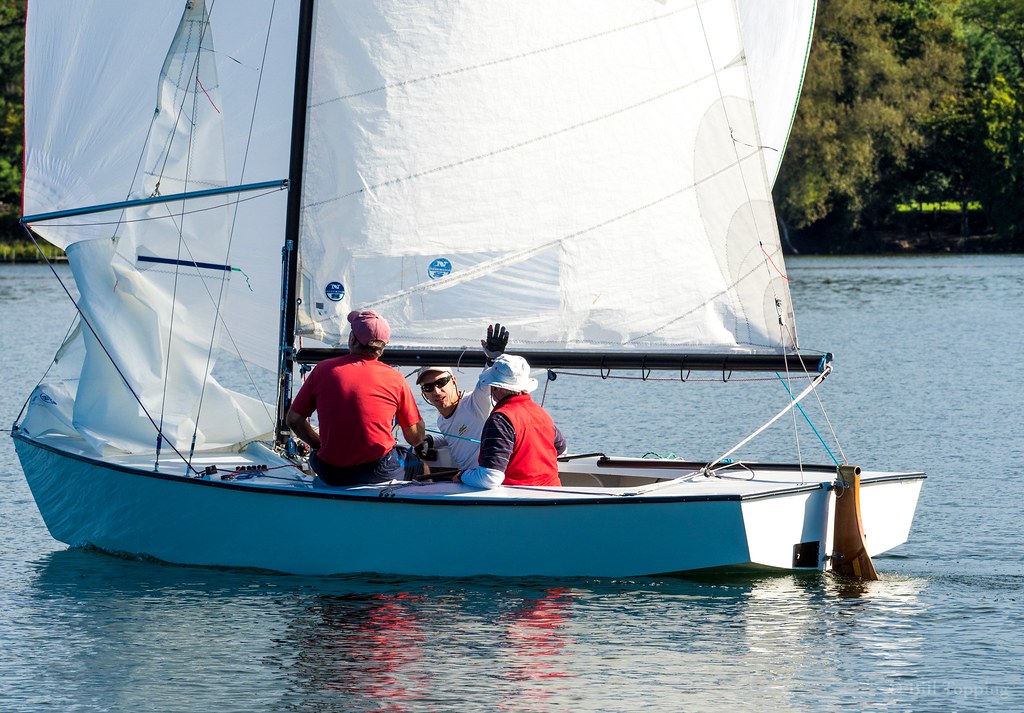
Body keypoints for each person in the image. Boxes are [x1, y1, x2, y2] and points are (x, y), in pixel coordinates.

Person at [285, 310, 425, 485]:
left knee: (317, 457)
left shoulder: (323, 370)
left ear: (352, 340)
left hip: (330, 472)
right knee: (419, 465)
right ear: (382, 349)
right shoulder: (395, 379)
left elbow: (293, 420)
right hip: (377, 470)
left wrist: (318, 445)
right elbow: (415, 438)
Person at [455, 354, 566, 489]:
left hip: (519, 500)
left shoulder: (500, 419)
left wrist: (462, 475)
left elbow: (490, 478)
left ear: (496, 387)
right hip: (554, 494)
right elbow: (562, 450)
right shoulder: (542, 414)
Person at [415, 323, 509, 471]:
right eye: (428, 387)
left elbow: (485, 382)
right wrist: (431, 439)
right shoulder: (441, 420)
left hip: (485, 480)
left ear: (453, 381)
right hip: (466, 481)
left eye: (441, 382)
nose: (436, 391)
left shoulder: (476, 401)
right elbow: (455, 437)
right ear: (424, 392)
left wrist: (492, 359)